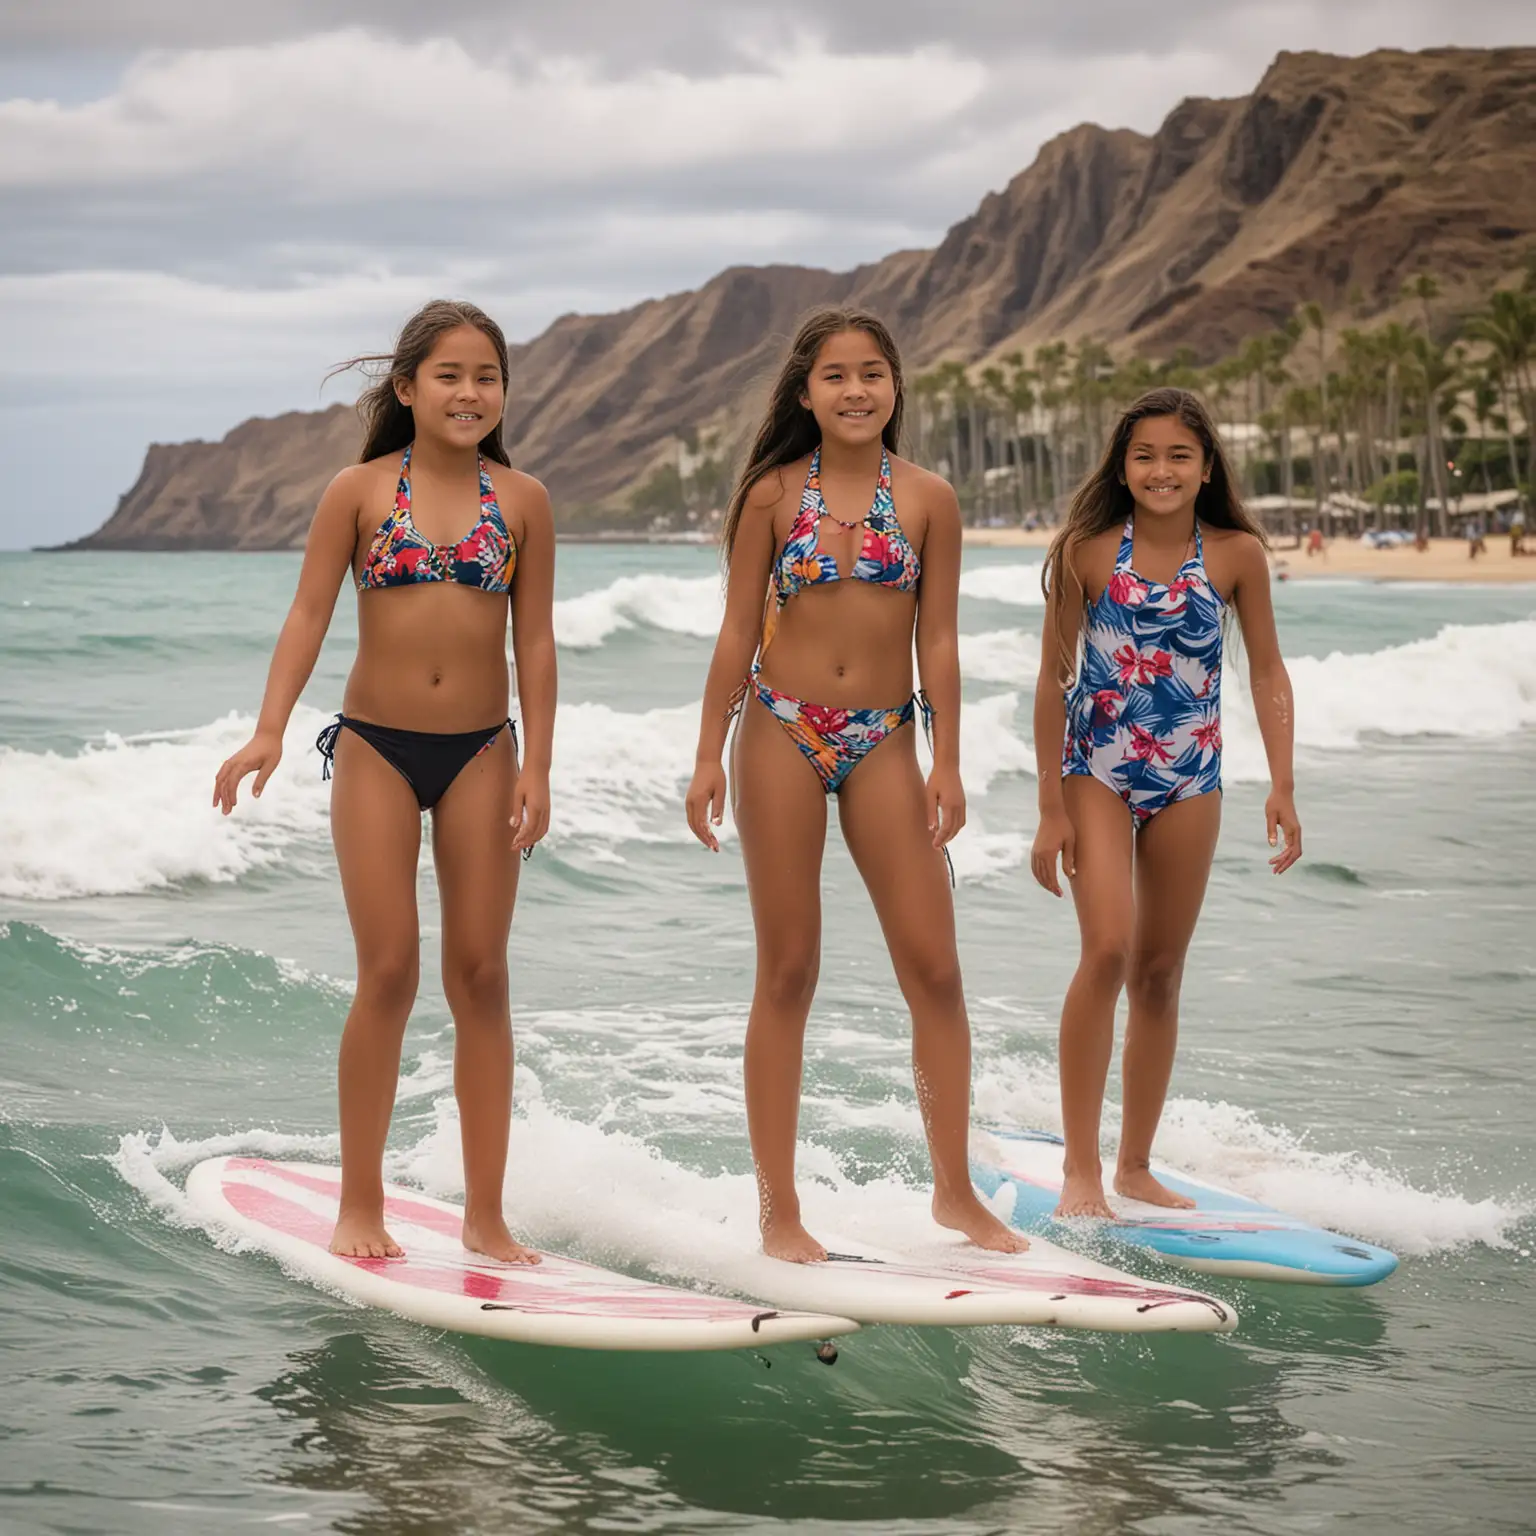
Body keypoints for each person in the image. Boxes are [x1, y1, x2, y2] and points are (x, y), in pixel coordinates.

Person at [212, 300, 557, 1262]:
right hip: (375, 750)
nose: (470, 391)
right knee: (391, 970)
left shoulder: (523, 499)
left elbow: (536, 640)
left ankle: (485, 1217)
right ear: (407, 387)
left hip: (485, 751)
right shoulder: (358, 491)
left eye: (486, 375)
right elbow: (308, 614)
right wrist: (269, 730)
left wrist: (539, 763)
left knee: (482, 977)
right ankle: (359, 1204)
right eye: (449, 374)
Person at [685, 307, 1027, 1264]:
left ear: (894, 389)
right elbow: (734, 631)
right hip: (781, 728)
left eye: (873, 373)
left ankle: (955, 1195)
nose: (856, 390)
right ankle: (779, 1212)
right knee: (788, 971)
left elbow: (941, 640)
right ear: (806, 393)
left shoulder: (928, 499)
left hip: (886, 737)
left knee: (937, 970)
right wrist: (708, 752)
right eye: (835, 375)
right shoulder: (770, 495)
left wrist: (949, 758)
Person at [1030, 387, 1301, 1218]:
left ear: (1206, 466)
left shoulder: (1235, 555)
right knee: (1107, 949)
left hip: (1192, 776)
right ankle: (1080, 1169)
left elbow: (1265, 671)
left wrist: (1283, 783)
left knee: (1158, 972)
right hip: (1097, 769)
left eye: (1179, 455)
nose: (1161, 470)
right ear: (1122, 464)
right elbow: (1053, 676)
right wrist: (1050, 804)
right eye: (1144, 455)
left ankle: (1134, 1165)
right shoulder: (1084, 550)